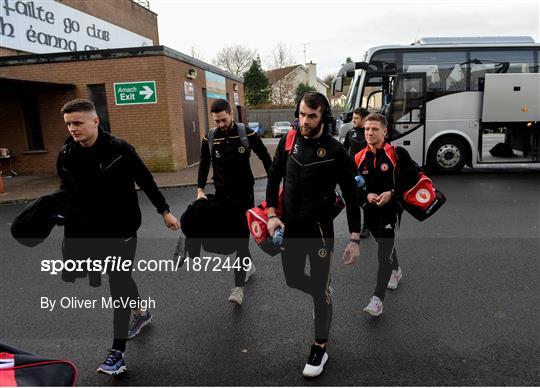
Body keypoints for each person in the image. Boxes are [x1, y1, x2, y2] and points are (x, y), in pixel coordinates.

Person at [57, 99, 180, 375]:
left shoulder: (119, 150)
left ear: (95, 121)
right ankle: (142, 314)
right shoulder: (67, 152)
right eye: (68, 124)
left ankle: (117, 353)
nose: (73, 128)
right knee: (120, 278)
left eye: (77, 122)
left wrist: (164, 211)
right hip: (91, 229)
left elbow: (146, 179)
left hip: (123, 228)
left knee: (118, 283)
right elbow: (66, 188)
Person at [266, 92, 361, 378]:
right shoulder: (289, 140)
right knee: (293, 279)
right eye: (302, 115)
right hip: (290, 227)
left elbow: (351, 195)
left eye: (311, 116)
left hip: (319, 231)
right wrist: (271, 214)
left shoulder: (335, 150)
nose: (304, 121)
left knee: (320, 293)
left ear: (324, 117)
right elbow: (273, 175)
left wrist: (355, 238)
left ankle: (320, 346)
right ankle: (324, 295)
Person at [197, 99, 272, 305]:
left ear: (231, 114)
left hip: (244, 197)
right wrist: (200, 189)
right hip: (222, 197)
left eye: (223, 119)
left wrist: (274, 186)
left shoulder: (246, 134)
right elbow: (204, 164)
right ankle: (248, 265)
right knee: (234, 239)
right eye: (216, 121)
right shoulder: (210, 137)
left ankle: (238, 287)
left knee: (240, 240)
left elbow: (265, 157)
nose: (221, 124)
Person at [353, 113, 419, 317]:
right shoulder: (358, 157)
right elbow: (352, 187)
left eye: (374, 129)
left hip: (392, 210)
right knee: (383, 244)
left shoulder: (397, 153)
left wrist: (392, 193)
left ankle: (377, 300)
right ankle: (396, 270)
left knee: (383, 254)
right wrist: (366, 196)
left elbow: (414, 177)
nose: (370, 133)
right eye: (367, 129)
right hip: (371, 211)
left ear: (385, 131)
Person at [343, 107, 371, 238]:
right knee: (355, 199)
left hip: (367, 172)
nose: (353, 120)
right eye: (353, 118)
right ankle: (357, 227)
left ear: (364, 119)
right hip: (353, 173)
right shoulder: (350, 133)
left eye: (356, 118)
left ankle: (367, 226)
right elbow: (344, 150)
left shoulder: (370, 133)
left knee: (366, 199)